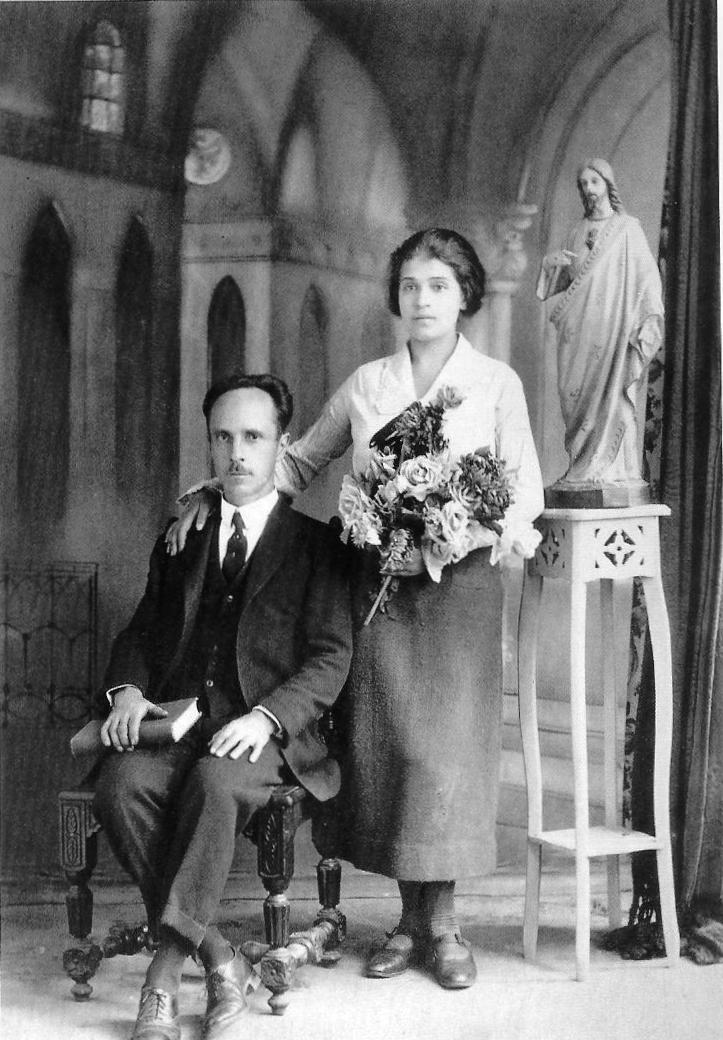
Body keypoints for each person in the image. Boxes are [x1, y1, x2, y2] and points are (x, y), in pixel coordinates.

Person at [170, 228, 544, 990]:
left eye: (437, 285)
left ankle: (446, 928)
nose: (421, 300)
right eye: (409, 285)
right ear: (395, 297)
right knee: (397, 758)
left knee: (446, 761)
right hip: (376, 595)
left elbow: (523, 494)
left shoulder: (494, 382)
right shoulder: (370, 384)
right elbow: (301, 459)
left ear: (465, 294)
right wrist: (218, 490)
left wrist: (444, 539)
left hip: (458, 596)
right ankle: (408, 926)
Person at [93, 373, 352, 1040]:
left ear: (281, 445)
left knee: (216, 780)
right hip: (181, 723)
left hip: (264, 736)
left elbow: (329, 658)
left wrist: (265, 717)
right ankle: (220, 957)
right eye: (223, 437)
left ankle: (160, 979)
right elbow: (140, 633)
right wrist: (125, 691)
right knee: (120, 785)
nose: (237, 452)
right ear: (210, 444)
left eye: (254, 438)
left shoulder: (316, 545)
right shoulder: (182, 537)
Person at [537, 159, 664, 491]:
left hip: (613, 330)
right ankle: (580, 465)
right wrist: (551, 266)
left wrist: (646, 319)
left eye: (594, 181)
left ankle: (614, 472)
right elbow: (572, 278)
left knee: (613, 398)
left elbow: (647, 276)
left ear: (608, 184)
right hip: (578, 332)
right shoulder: (577, 231)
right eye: (583, 184)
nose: (588, 189)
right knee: (576, 399)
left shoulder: (627, 229)